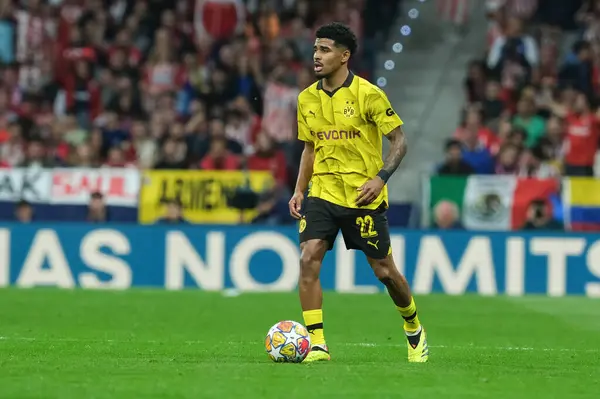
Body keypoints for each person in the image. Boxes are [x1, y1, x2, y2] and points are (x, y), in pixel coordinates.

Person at [288, 23, 428, 363]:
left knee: (384, 271)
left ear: (344, 55)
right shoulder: (306, 99)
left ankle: (413, 327)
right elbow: (310, 148)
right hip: (322, 190)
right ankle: (317, 344)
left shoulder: (369, 95)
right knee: (308, 257)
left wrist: (380, 179)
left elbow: (400, 141)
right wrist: (299, 190)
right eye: (316, 49)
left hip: (363, 196)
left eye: (325, 50)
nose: (316, 56)